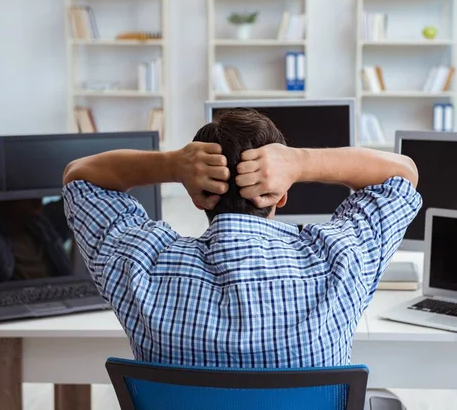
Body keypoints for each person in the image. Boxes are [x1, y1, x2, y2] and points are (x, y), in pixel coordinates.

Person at [63, 108, 421, 367]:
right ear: (282, 194)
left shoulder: (140, 263)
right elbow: (403, 174)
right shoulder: (339, 259)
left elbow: (79, 176)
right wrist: (300, 162)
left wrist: (172, 164)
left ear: (196, 194)